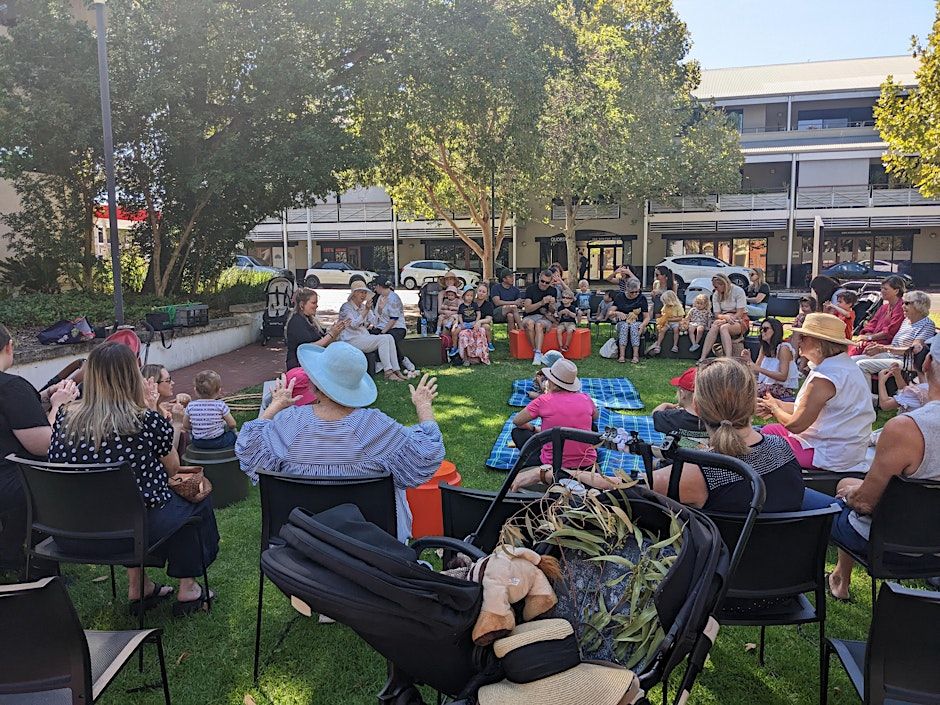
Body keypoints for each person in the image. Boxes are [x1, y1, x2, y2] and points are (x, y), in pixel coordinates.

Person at [48, 342, 219, 615]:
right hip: (129, 534)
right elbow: (173, 469)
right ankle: (188, 588)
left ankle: (139, 586)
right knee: (193, 502)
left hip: (72, 533)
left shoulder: (65, 418)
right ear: (131, 377)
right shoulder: (144, 420)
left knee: (130, 504)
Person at [522, 358, 804, 514]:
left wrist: (549, 472)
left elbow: (619, 488)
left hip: (714, 580)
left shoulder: (699, 471)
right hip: (780, 577)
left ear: (698, 407)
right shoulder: (782, 447)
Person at [235, 342, 444, 542]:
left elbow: (248, 442)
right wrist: (423, 405)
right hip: (370, 547)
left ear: (314, 384)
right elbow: (429, 450)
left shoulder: (288, 422)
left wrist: (276, 406)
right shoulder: (376, 426)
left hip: (300, 543)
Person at [826, 333, 940, 601]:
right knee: (849, 485)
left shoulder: (907, 428)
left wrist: (849, 493)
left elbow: (866, 503)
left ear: (927, 364)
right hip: (932, 542)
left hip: (891, 543)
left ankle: (837, 580)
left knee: (828, 500)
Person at [0, 323, 78, 571]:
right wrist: (59, 406)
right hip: (13, 482)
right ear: (8, 347)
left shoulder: (15, 393)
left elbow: (15, 416)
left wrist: (44, 396)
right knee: (55, 475)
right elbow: (45, 445)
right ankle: (33, 562)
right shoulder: (11, 388)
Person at [758, 313, 876, 473]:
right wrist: (778, 404)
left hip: (831, 453)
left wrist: (774, 409)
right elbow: (812, 409)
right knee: (767, 431)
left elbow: (796, 425)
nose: (798, 341)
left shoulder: (825, 377)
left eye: (804, 337)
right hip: (843, 446)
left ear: (819, 343)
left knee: (761, 445)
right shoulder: (842, 366)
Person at [510, 359, 599, 484]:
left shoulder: (543, 401)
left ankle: (539, 468)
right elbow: (595, 417)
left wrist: (532, 428)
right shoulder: (585, 399)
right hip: (587, 464)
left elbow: (517, 421)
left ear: (550, 380)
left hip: (551, 465)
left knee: (518, 432)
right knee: (592, 427)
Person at [851, 290, 935, 375]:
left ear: (919, 305)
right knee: (851, 360)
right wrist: (879, 347)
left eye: (906, 303)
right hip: (892, 356)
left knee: (861, 365)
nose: (902, 306)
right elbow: (895, 346)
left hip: (907, 361)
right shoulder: (906, 321)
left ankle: (865, 389)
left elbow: (915, 350)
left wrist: (884, 349)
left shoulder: (927, 324)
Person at [339, 282, 407, 382]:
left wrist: (379, 309)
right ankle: (388, 371)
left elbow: (375, 321)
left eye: (364, 293)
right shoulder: (346, 307)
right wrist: (366, 310)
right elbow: (354, 325)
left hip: (363, 337)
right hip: (351, 340)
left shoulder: (363, 307)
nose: (363, 295)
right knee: (383, 339)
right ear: (354, 294)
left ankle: (396, 370)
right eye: (361, 292)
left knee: (389, 337)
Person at [284, 288, 347, 371]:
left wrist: (336, 331)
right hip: (300, 365)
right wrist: (332, 333)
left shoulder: (310, 319)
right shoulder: (296, 321)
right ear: (302, 304)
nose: (316, 306)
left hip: (312, 361)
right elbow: (308, 347)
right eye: (313, 303)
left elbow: (324, 341)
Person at [651, 366, 708, 448]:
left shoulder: (671, 417)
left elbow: (654, 415)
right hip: (709, 458)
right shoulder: (717, 418)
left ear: (682, 393)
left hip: (679, 459)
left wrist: (664, 405)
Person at [742, 318, 798, 400]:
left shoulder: (783, 348)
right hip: (765, 385)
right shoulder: (764, 348)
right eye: (761, 329)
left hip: (781, 388)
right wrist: (749, 360)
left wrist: (760, 369)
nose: (762, 332)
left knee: (747, 392)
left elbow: (783, 376)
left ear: (775, 331)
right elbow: (756, 370)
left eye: (765, 329)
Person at [850, 275, 907, 356]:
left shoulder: (901, 308)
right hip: (873, 340)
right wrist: (864, 337)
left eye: (885, 289)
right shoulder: (884, 308)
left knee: (857, 350)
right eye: (881, 288)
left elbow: (891, 332)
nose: (882, 291)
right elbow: (871, 324)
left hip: (887, 345)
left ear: (896, 291)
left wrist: (869, 338)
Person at [697, 273, 749, 362]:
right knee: (714, 326)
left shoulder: (738, 291)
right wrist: (725, 318)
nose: (715, 289)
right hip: (724, 317)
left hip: (739, 319)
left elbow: (740, 312)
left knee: (724, 328)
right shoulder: (716, 294)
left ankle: (728, 358)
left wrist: (728, 319)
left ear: (723, 284)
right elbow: (717, 314)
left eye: (716, 287)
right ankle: (703, 357)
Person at [371, 280, 416, 377]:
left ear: (379, 286)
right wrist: (379, 308)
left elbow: (394, 319)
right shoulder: (380, 297)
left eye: (375, 286)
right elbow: (378, 314)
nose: (375, 289)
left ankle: (402, 359)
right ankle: (379, 362)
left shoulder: (394, 298)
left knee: (388, 338)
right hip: (382, 326)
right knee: (371, 336)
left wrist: (383, 332)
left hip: (397, 328)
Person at [183, 370, 237, 450]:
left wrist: (198, 427)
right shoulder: (220, 405)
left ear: (195, 391)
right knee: (232, 435)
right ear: (219, 391)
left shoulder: (191, 406)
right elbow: (232, 424)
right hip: (218, 441)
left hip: (198, 442)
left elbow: (186, 425)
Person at [522, 270, 558, 365]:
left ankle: (537, 353)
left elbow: (552, 311)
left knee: (539, 325)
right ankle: (537, 353)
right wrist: (541, 303)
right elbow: (527, 309)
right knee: (530, 324)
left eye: (547, 282)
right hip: (529, 316)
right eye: (542, 281)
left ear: (550, 282)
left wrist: (552, 304)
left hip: (544, 317)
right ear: (539, 278)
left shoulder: (553, 291)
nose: (544, 284)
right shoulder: (531, 289)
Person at [612, 278, 650, 364]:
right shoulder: (620, 297)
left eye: (637, 291)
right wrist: (617, 313)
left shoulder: (642, 298)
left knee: (634, 327)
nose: (635, 294)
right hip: (622, 322)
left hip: (638, 322)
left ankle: (635, 355)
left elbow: (647, 317)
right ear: (627, 289)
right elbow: (610, 312)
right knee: (625, 326)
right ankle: (622, 355)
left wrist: (643, 325)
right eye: (632, 292)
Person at [455, 288, 490, 365]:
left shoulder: (475, 305)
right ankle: (465, 357)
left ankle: (481, 356)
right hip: (464, 324)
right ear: (464, 296)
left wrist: (477, 322)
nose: (469, 297)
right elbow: (459, 316)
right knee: (463, 334)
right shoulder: (461, 306)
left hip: (474, 323)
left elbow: (479, 314)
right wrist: (462, 323)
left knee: (481, 331)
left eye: (471, 295)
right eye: (467, 295)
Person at [647, 290, 684, 355]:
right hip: (667, 322)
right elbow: (663, 313)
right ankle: (658, 345)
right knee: (662, 330)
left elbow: (680, 318)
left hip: (675, 322)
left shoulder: (678, 306)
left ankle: (675, 345)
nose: (665, 303)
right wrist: (663, 317)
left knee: (676, 330)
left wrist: (670, 319)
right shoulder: (666, 306)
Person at [473, 284, 496, 351]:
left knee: (486, 326)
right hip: (470, 321)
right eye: (480, 291)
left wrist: (479, 322)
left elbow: (489, 319)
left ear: (486, 294)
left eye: (484, 292)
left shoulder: (489, 305)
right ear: (476, 291)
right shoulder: (471, 302)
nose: (481, 293)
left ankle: (489, 343)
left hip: (482, 322)